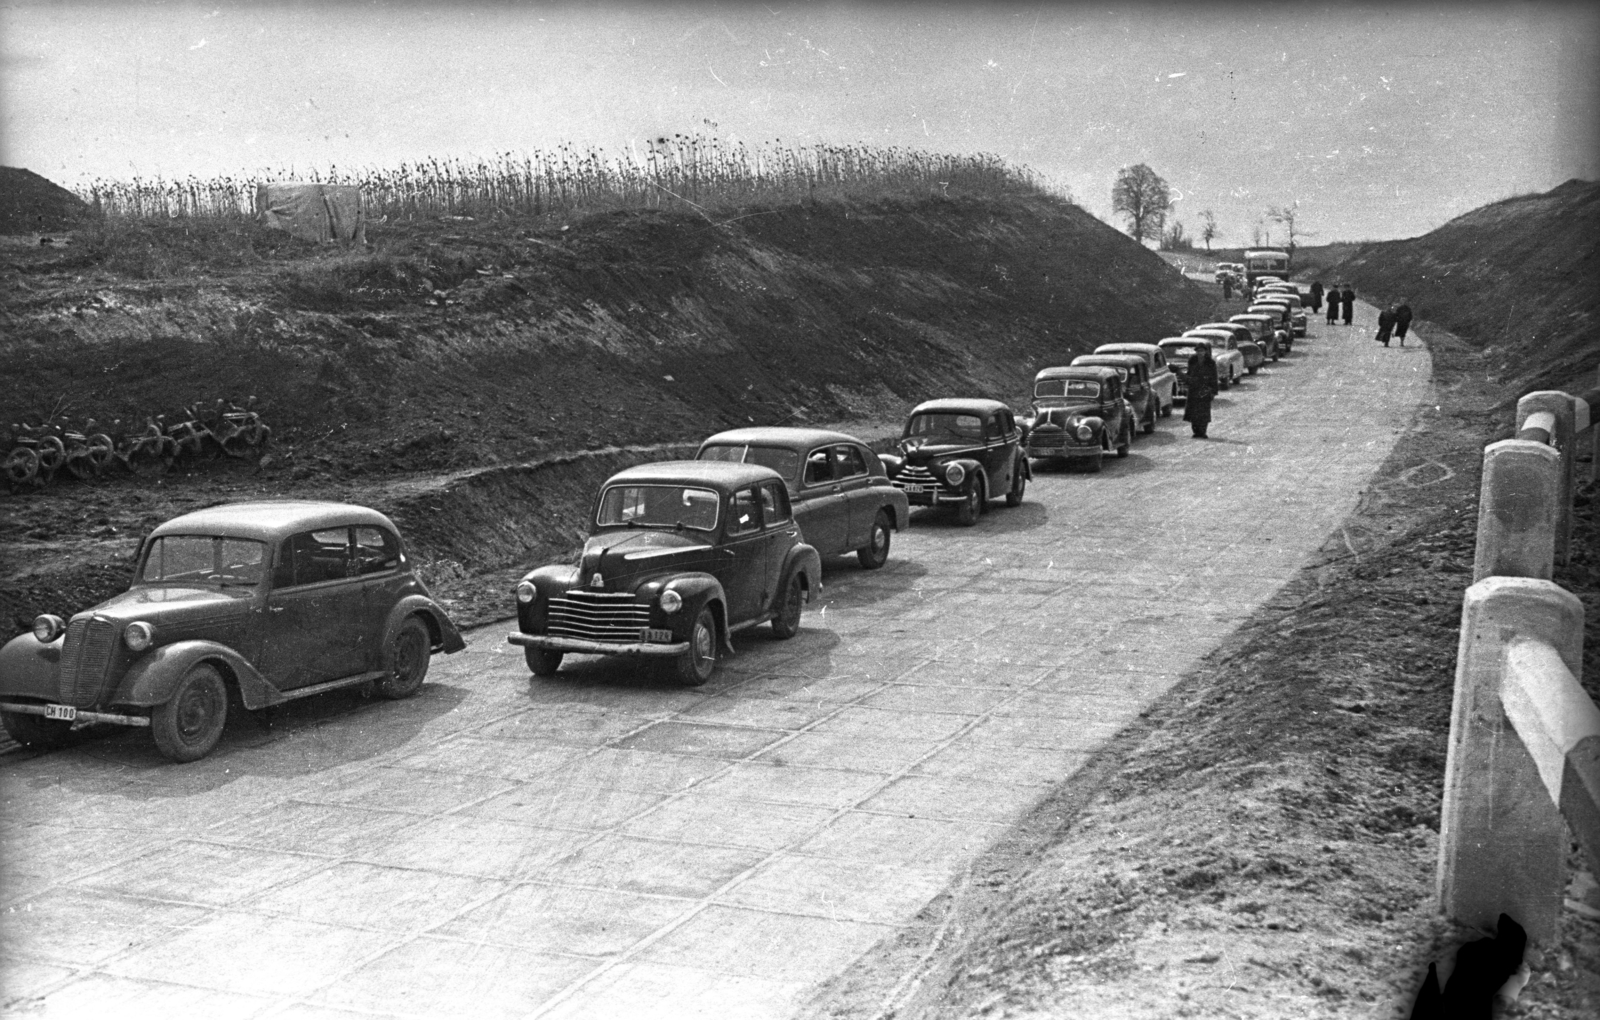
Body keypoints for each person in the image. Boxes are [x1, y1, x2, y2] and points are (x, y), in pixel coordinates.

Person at [1183, 343, 1219, 438]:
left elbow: (1214, 377)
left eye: (1202, 351)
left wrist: (1213, 391)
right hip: (1194, 389)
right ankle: (1195, 431)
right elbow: (1189, 373)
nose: (1200, 353)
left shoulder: (1210, 362)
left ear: (1205, 352)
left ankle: (1202, 432)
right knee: (1193, 411)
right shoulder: (1192, 360)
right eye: (1198, 351)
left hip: (1205, 390)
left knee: (1203, 412)